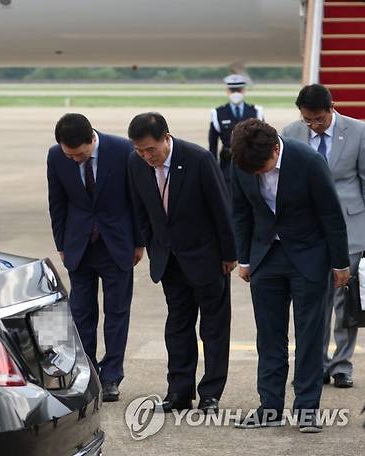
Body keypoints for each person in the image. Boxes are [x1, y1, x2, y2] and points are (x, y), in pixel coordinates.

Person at [231, 119, 349, 433]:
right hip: (265, 257)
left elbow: (331, 213)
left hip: (309, 257)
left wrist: (339, 263)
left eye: (263, 167)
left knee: (310, 336)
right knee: (269, 337)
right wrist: (244, 258)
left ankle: (307, 410)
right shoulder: (243, 160)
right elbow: (240, 211)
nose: (258, 174)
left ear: (275, 148)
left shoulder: (308, 160)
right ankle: (269, 407)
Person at [127, 112, 236, 413]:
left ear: (166, 137)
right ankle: (179, 391)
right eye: (140, 150)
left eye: (151, 149)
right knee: (177, 327)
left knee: (213, 329)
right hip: (169, 261)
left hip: (207, 258)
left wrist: (229, 254)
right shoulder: (135, 163)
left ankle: (211, 393)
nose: (147, 156)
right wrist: (154, 246)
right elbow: (142, 210)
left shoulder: (198, 159)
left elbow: (221, 208)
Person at [47, 113, 144, 402]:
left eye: (80, 154)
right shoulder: (56, 156)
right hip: (79, 245)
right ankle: (85, 372)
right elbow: (57, 202)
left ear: (92, 139)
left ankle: (111, 375)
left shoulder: (123, 150)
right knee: (81, 312)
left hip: (117, 243)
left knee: (116, 312)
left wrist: (139, 242)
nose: (75, 160)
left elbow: (136, 199)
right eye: (69, 155)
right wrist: (62, 243)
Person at [282, 84, 364, 389]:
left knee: (347, 304)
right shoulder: (290, 133)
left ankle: (342, 365)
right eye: (308, 120)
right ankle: (315, 364)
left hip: (350, 228)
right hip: (309, 233)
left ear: (331, 109)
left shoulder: (358, 132)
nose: (313, 125)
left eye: (318, 119)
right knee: (314, 305)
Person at [209, 74, 264, 190]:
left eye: (238, 90)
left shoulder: (256, 112)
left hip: (251, 164)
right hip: (227, 165)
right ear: (227, 91)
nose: (235, 93)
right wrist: (214, 169)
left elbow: (263, 140)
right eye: (232, 90)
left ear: (244, 90)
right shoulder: (217, 113)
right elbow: (212, 145)